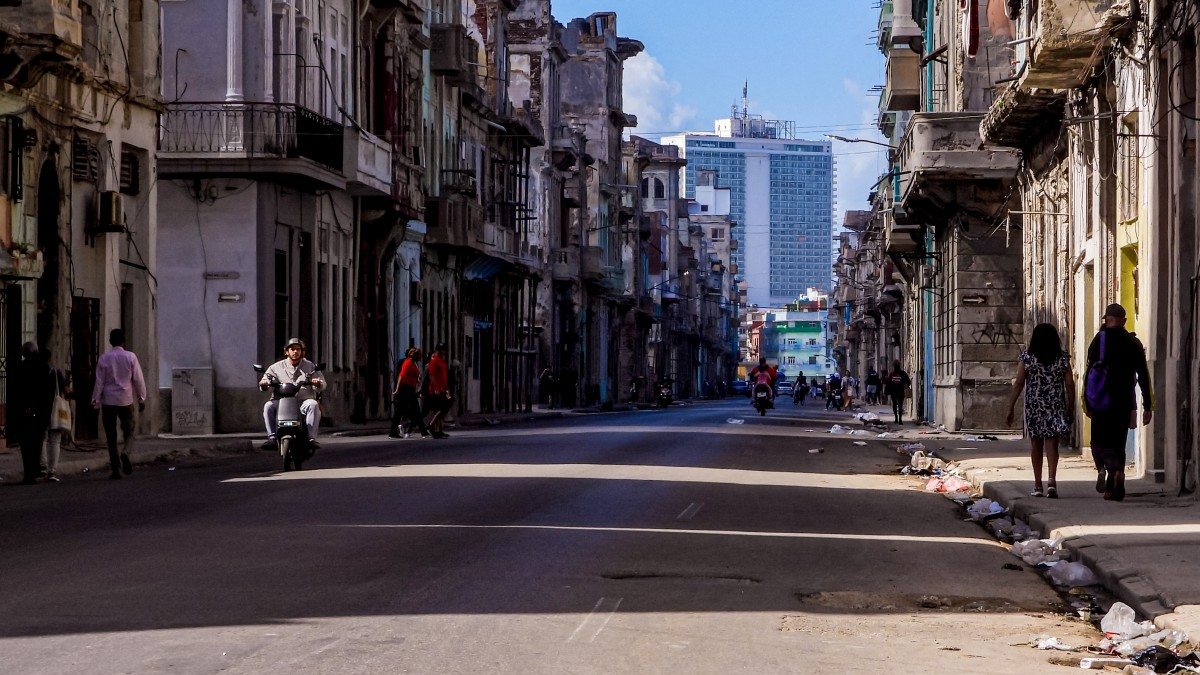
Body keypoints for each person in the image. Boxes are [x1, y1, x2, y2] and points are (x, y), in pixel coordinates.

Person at [1083, 303, 1153, 502]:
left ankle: (1106, 470)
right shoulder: (1133, 343)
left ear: (1106, 320)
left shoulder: (1099, 340)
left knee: (1099, 441)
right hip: (1124, 400)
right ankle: (1118, 476)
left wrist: (1087, 402)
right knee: (1118, 441)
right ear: (1124, 321)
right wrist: (1148, 406)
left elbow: (1089, 373)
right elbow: (1143, 375)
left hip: (1101, 400)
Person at [1005, 323, 1074, 499]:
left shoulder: (1027, 358)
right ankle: (1051, 481)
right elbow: (1069, 383)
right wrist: (1070, 406)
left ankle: (1037, 485)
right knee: (1052, 443)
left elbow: (1019, 383)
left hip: (1034, 406)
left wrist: (1011, 407)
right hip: (1055, 405)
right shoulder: (1062, 359)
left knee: (1036, 444)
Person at [91, 329, 147, 480]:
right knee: (129, 431)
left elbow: (99, 382)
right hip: (125, 400)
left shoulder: (104, 358)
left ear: (110, 341)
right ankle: (126, 452)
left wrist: (95, 402)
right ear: (124, 341)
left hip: (108, 401)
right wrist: (141, 398)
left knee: (111, 436)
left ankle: (116, 469)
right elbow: (138, 379)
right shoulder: (131, 357)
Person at [260, 337, 325, 447]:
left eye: (298, 349)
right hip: (281, 402)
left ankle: (310, 438)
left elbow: (322, 383)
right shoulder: (275, 367)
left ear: (301, 351)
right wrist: (264, 384)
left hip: (302, 401)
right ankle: (272, 438)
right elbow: (266, 379)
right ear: (286, 352)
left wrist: (317, 383)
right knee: (268, 406)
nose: (295, 352)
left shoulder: (310, 366)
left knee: (313, 404)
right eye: (292, 349)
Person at [14, 343, 54, 485]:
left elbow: (15, 392)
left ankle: (28, 474)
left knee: (26, 445)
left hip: (24, 411)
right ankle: (33, 471)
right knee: (36, 443)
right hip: (39, 412)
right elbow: (48, 394)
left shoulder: (19, 368)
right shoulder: (44, 368)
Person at [41, 350, 71, 482]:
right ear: (50, 359)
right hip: (55, 410)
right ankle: (51, 471)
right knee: (55, 441)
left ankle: (42, 467)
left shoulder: (36, 372)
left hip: (41, 410)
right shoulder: (55, 372)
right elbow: (66, 391)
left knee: (42, 439)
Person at [391, 348, 430, 439]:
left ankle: (423, 432)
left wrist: (417, 386)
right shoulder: (408, 363)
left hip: (411, 389)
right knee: (402, 412)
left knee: (413, 411)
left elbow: (413, 377)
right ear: (415, 355)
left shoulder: (414, 363)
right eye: (419, 355)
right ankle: (423, 432)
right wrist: (397, 390)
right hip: (405, 389)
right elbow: (401, 376)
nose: (421, 357)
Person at [423, 342, 451, 439]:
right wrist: (434, 388)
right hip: (436, 390)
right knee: (441, 409)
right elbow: (432, 375)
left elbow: (444, 376)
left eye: (443, 350)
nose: (442, 352)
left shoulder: (442, 361)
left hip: (443, 389)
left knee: (441, 410)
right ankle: (431, 426)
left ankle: (437, 430)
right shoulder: (434, 361)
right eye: (440, 350)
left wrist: (447, 389)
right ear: (437, 350)